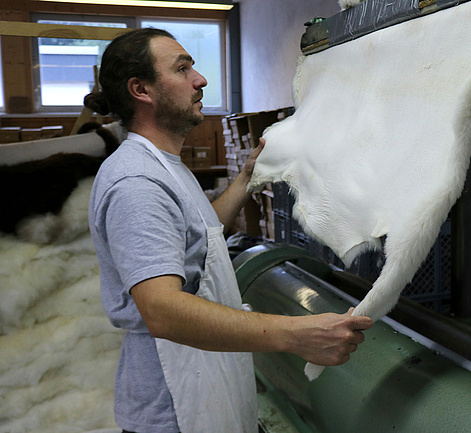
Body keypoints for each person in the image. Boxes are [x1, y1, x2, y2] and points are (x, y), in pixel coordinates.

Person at [86, 28, 373, 433]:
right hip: (176, 409)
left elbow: (199, 235)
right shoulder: (136, 183)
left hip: (205, 383)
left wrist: (247, 178)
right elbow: (162, 310)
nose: (200, 80)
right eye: (182, 69)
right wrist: (295, 334)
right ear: (142, 90)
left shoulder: (166, 166)